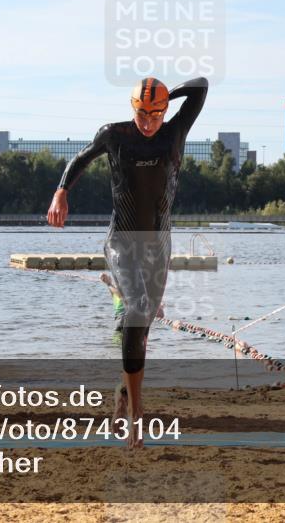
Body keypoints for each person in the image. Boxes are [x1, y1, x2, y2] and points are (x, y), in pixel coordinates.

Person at [47, 76, 208, 448]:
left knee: (140, 326)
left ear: (165, 111)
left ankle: (123, 392)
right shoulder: (115, 135)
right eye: (141, 114)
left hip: (159, 246)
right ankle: (137, 415)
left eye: (155, 115)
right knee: (136, 311)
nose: (147, 123)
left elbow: (200, 87)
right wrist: (61, 192)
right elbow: (81, 157)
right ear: (131, 108)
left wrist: (166, 94)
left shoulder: (175, 132)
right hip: (121, 240)